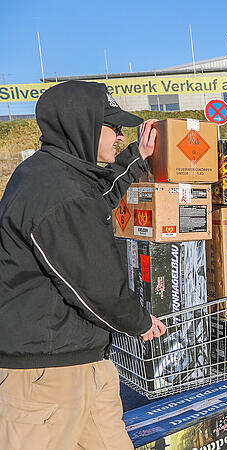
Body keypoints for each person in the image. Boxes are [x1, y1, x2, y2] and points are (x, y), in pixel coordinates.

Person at [0, 80, 167, 449]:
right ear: (82, 126)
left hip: (80, 363)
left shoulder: (57, 175)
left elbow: (99, 199)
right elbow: (96, 285)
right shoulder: (57, 193)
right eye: (113, 127)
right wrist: (138, 322)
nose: (120, 136)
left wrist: (136, 159)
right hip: (44, 377)